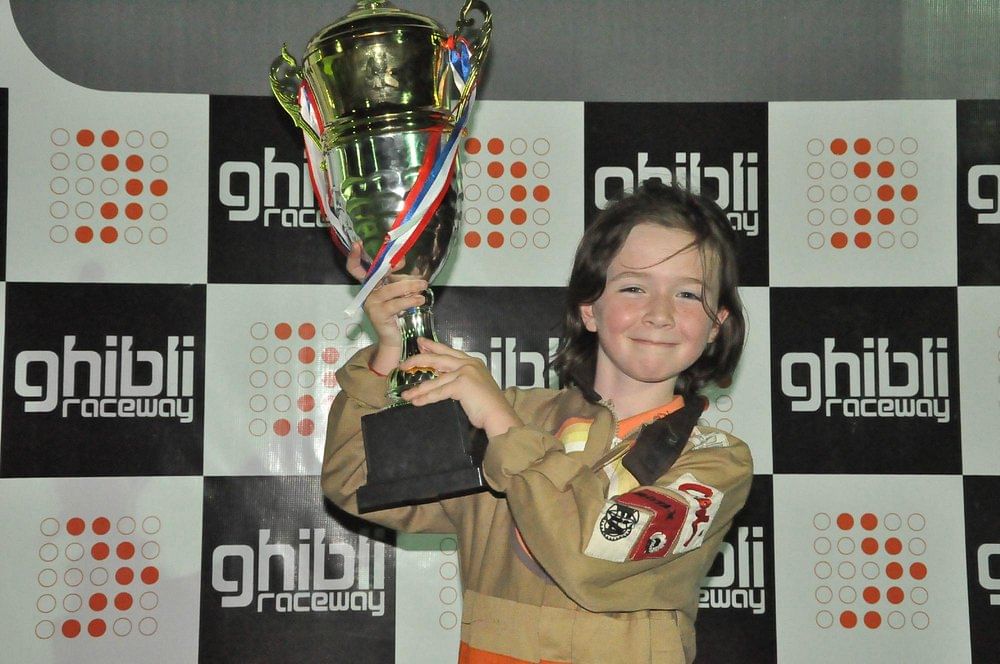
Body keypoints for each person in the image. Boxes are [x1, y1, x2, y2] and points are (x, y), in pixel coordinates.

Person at [323, 179, 753, 664]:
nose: (659, 314)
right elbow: (356, 482)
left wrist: (503, 429)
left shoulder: (716, 461)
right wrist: (388, 351)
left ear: (717, 324)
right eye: (634, 287)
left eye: (688, 295)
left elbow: (588, 557)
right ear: (589, 309)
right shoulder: (514, 414)